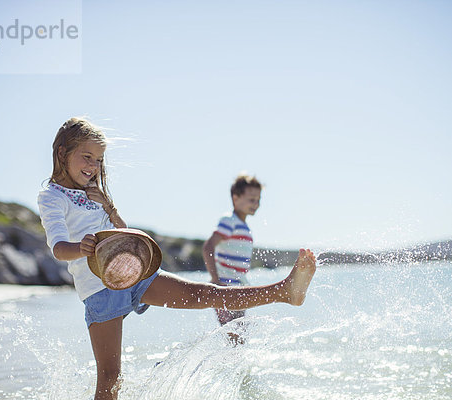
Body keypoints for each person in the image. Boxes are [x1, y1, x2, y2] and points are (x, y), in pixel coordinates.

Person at [37, 117, 317, 400]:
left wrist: (108, 206)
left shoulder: (94, 193)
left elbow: (122, 232)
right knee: (111, 377)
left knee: (210, 293)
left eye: (98, 160)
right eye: (87, 157)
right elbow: (58, 247)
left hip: (135, 274)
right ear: (62, 153)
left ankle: (284, 291)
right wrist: (81, 248)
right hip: (99, 289)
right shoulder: (52, 196)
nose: (94, 166)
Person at [202, 174, 261, 342]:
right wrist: (215, 279)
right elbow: (208, 247)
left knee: (238, 339)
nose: (255, 204)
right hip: (225, 288)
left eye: (258, 200)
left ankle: (235, 368)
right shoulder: (229, 221)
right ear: (236, 198)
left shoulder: (243, 225)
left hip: (238, 288)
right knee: (235, 338)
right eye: (251, 199)